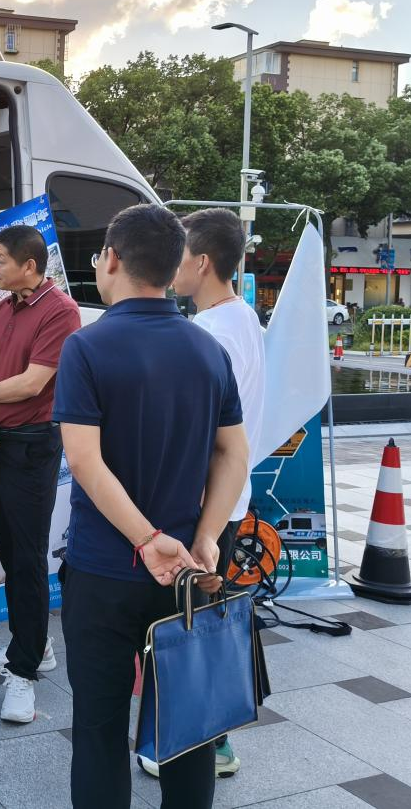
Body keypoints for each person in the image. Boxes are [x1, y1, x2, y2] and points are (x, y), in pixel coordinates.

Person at [53, 203, 249, 809]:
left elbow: (85, 461)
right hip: (188, 574)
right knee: (189, 729)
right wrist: (207, 536)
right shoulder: (208, 350)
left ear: (111, 259)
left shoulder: (86, 347)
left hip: (104, 570)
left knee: (99, 730)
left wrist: (144, 539)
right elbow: (233, 453)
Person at [148, 206, 266, 780]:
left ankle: (203, 745)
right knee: (207, 620)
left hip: (200, 506)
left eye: (179, 254)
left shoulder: (208, 333)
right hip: (230, 500)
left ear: (201, 262)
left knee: (187, 626)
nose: (171, 266)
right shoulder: (245, 320)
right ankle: (210, 741)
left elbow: (200, 435)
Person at [0, 224, 81, 723]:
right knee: (10, 551)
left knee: (29, 557)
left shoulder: (61, 311)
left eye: (0, 260)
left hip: (32, 445)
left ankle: (24, 672)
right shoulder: (3, 307)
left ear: (29, 265)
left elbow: (34, 383)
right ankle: (33, 644)